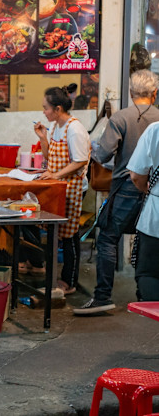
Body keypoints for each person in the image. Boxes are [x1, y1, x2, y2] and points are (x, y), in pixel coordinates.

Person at [74, 70, 159, 314]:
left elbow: (102, 155)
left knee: (108, 238)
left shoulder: (121, 118)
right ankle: (145, 297)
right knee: (145, 240)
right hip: (152, 191)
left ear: (131, 93)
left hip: (125, 187)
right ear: (154, 94)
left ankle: (102, 297)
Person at [34, 87, 91, 295]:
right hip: (60, 188)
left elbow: (80, 161)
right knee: (60, 233)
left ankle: (70, 281)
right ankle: (62, 277)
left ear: (57, 108)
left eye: (46, 108)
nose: (44, 112)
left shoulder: (75, 129)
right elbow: (51, 158)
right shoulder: (55, 126)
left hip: (73, 188)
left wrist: (56, 176)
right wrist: (42, 138)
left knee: (70, 236)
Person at [128, 120, 159, 301]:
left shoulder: (155, 130)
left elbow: (136, 175)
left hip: (156, 218)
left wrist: (147, 189)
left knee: (150, 274)